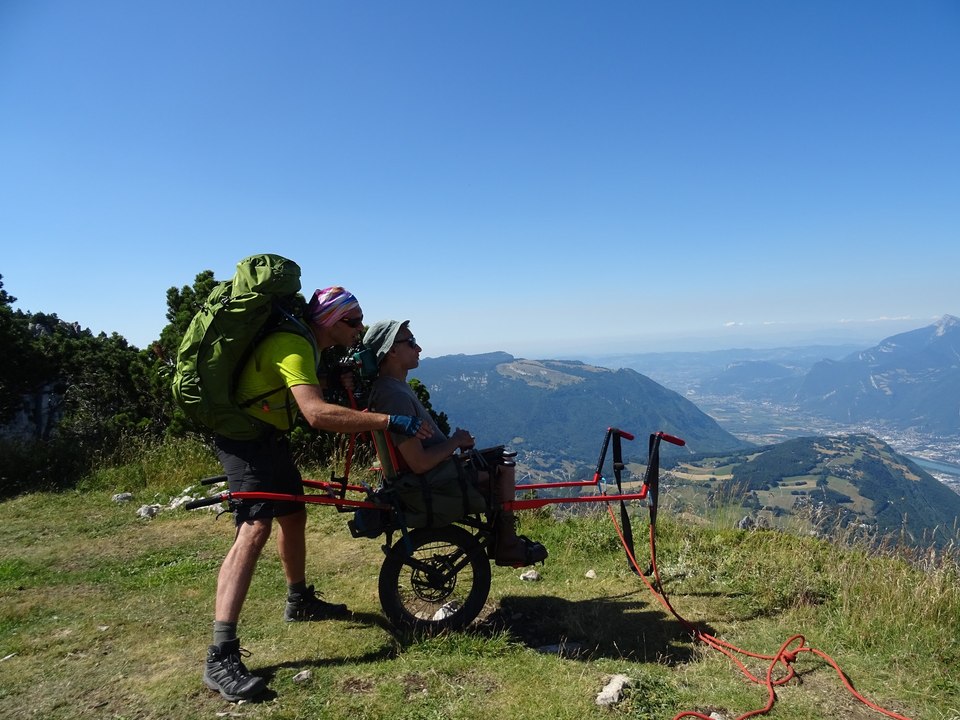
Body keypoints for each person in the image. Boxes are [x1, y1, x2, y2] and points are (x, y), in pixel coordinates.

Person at [203, 287, 431, 702]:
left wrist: (334, 383)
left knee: (294, 516)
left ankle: (299, 600)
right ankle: (221, 654)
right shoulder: (293, 346)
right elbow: (315, 413)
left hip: (267, 437)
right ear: (330, 320)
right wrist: (388, 420)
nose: (360, 329)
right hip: (245, 442)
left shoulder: (312, 347)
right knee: (254, 529)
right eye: (353, 321)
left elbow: (306, 392)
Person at [362, 319, 548, 568]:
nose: (419, 348)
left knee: (497, 458)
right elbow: (419, 463)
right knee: (503, 468)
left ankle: (502, 540)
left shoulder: (392, 388)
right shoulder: (394, 396)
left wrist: (454, 444)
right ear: (392, 350)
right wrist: (455, 441)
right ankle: (506, 543)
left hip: (428, 475)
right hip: (426, 482)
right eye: (412, 342)